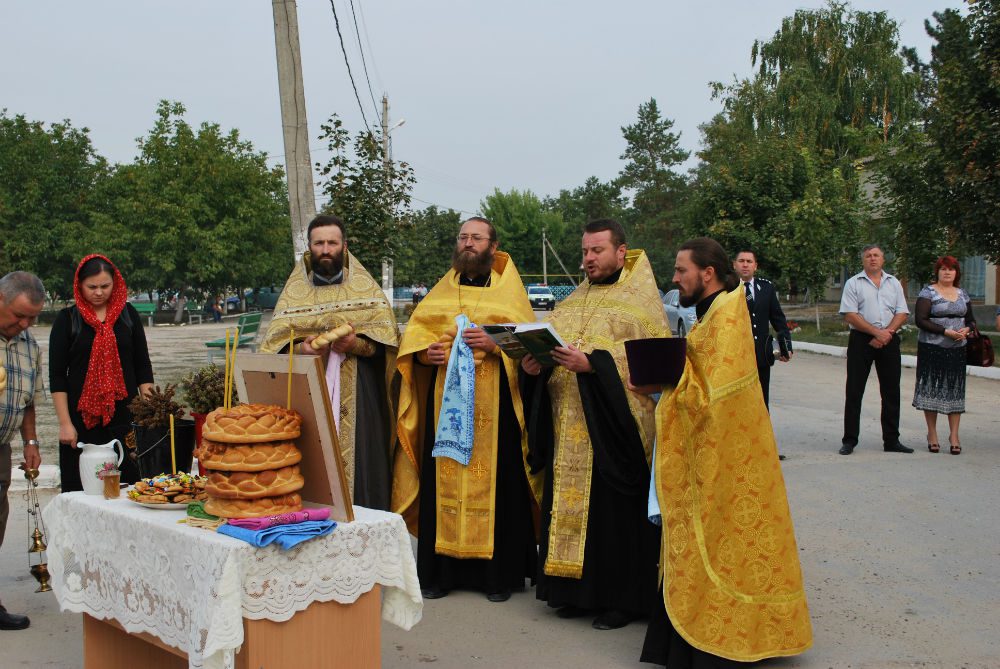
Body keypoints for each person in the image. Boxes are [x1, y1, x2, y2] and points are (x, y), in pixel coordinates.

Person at [638, 238, 812, 666]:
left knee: (726, 545)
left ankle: (731, 633)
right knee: (722, 544)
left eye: (681, 270)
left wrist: (660, 386)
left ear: (708, 273)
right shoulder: (714, 311)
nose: (675, 278)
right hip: (722, 454)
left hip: (728, 458)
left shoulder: (727, 316)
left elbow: (711, 398)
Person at [521, 219, 670, 631]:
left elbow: (653, 366)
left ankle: (622, 601)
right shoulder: (572, 301)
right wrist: (533, 367)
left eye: (597, 250)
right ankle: (574, 593)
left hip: (614, 431)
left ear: (621, 252)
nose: (588, 258)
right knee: (570, 509)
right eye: (585, 251)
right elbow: (553, 352)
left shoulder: (642, 305)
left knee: (614, 518)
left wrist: (593, 365)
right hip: (567, 425)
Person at [391, 216, 541, 603]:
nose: (468, 243)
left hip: (496, 408)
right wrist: (425, 355)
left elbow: (530, 345)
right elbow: (415, 342)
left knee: (500, 485)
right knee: (443, 481)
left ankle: (498, 577)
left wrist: (495, 344)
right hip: (445, 407)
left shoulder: (509, 293)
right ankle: (440, 574)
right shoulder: (441, 292)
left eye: (476, 237)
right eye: (463, 237)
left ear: (493, 246)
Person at [259, 214, 399, 510]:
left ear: (344, 247)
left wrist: (355, 345)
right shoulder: (293, 296)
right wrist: (302, 349)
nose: (325, 249)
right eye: (319, 243)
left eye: (332, 243)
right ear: (309, 248)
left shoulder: (368, 293)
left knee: (362, 469)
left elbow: (388, 348)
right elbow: (274, 348)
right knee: (309, 461)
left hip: (359, 399)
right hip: (307, 397)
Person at [50, 255, 155, 491]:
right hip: (82, 420)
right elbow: (57, 376)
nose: (99, 292)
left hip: (125, 416)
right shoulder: (67, 319)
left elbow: (142, 366)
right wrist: (65, 423)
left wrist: (150, 414)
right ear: (79, 286)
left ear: (114, 284)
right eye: (92, 287)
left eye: (105, 286)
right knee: (82, 489)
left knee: (129, 488)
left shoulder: (128, 315)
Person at [0, 271, 45, 631]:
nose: (25, 324)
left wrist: (30, 442)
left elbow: (28, 401)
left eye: (32, 317)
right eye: (19, 316)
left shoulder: (29, 344)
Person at [838, 244, 912, 455]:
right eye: (868, 256)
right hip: (861, 340)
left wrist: (886, 333)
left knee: (891, 391)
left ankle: (892, 440)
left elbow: (902, 312)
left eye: (876, 255)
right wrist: (876, 333)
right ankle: (850, 440)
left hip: (889, 339)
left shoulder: (894, 283)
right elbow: (850, 314)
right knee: (854, 390)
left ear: (883, 259)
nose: (872, 258)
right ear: (863, 260)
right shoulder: (853, 283)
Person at [912, 256, 975, 455]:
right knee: (931, 388)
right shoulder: (928, 292)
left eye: (951, 269)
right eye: (943, 269)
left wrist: (967, 330)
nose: (947, 272)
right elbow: (920, 320)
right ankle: (932, 434)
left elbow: (971, 320)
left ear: (957, 273)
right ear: (937, 272)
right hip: (932, 347)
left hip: (957, 349)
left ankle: (954, 436)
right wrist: (945, 331)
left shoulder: (963, 293)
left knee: (954, 390)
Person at [733, 249, 793, 409]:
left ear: (755, 266)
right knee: (737, 402)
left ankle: (763, 426)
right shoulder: (727, 289)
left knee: (761, 400)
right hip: (735, 356)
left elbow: (778, 319)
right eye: (741, 261)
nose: (745, 265)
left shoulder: (766, 288)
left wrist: (786, 347)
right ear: (734, 265)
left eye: (749, 261)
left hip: (761, 355)